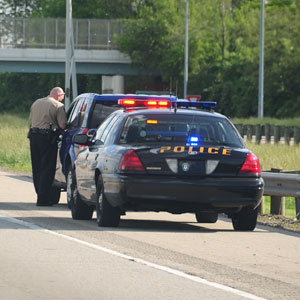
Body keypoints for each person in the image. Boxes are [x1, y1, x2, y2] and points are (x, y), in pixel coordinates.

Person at [28, 87, 67, 206]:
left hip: (33, 136)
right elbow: (62, 124)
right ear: (58, 95)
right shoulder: (58, 106)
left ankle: (40, 193)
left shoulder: (36, 102)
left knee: (37, 167)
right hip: (47, 138)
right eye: (62, 96)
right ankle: (43, 199)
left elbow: (31, 120)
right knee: (47, 168)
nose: (63, 98)